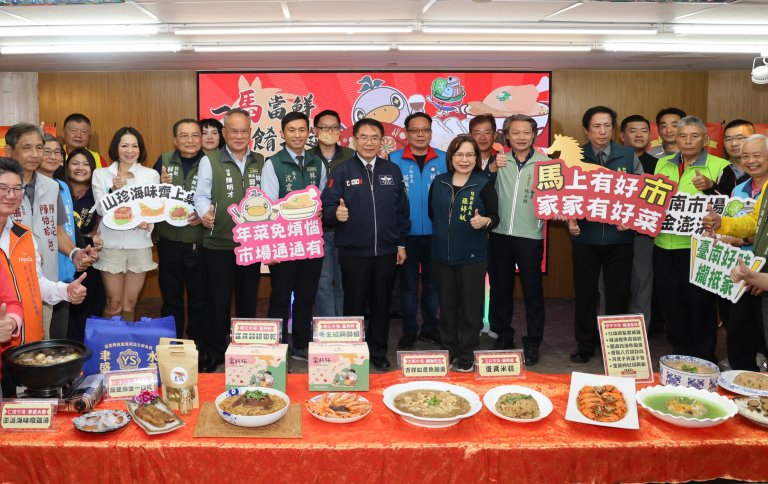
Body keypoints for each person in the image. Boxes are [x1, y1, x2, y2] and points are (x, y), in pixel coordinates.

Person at [321, 118, 410, 371]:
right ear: (353, 141)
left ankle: (379, 351)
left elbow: (402, 210)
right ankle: (351, 353)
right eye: (364, 137)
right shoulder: (341, 171)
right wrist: (334, 215)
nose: (369, 142)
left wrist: (401, 243)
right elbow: (327, 206)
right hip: (353, 252)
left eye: (374, 138)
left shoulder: (391, 171)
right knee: (354, 304)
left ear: (381, 141)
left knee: (382, 303)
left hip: (385, 250)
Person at [0, 156, 87, 396]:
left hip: (25, 352)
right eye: (3, 188)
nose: (10, 195)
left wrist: (64, 291)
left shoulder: (23, 235)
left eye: (16, 188)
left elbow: (34, 282)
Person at [568, 106, 644, 364]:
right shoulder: (574, 156)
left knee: (618, 295)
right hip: (585, 238)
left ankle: (616, 348)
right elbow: (564, 194)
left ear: (614, 129)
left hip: (620, 240)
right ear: (586, 130)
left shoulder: (627, 155)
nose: (602, 132)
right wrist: (569, 219)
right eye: (596, 126)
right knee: (586, 294)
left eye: (607, 126)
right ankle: (585, 345)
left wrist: (631, 219)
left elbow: (642, 194)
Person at [5, 123, 91, 339]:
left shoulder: (53, 187)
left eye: (39, 147)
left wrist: (74, 253)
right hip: (8, 283)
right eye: (27, 148)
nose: (35, 154)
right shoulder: (5, 189)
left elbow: (57, 231)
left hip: (43, 284)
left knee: (40, 343)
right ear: (9, 151)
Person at [654, 115, 729, 363]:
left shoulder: (719, 166)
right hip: (663, 243)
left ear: (705, 139)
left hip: (699, 246)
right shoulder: (662, 163)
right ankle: (680, 352)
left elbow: (731, 206)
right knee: (669, 300)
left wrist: (709, 186)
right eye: (682, 135)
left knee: (701, 303)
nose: (687, 141)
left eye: (694, 136)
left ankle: (704, 354)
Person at [194, 109, 264, 371]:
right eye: (233, 131)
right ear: (224, 133)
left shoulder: (260, 160)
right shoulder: (210, 160)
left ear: (250, 133)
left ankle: (245, 351)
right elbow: (200, 195)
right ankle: (214, 352)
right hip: (218, 243)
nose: (238, 136)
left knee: (248, 300)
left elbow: (267, 201)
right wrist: (204, 213)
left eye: (243, 130)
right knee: (218, 301)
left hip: (250, 245)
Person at [430, 136, 499, 372]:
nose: (464, 159)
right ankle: (449, 349)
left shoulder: (483, 183)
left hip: (472, 257)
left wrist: (485, 221)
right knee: (447, 307)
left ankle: (468, 352)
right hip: (441, 256)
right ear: (451, 157)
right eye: (459, 154)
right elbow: (433, 214)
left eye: (470, 155)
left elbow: (495, 217)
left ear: (476, 158)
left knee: (470, 309)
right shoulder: (439, 182)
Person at [261, 111, 326, 361]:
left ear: (309, 132)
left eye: (302, 130)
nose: (297, 135)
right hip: (283, 242)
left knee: (306, 296)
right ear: (282, 134)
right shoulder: (273, 163)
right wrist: (271, 248)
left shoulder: (316, 162)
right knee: (280, 295)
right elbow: (267, 208)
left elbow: (321, 199)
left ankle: (301, 344)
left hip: (310, 242)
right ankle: (277, 346)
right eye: (292, 130)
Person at [488, 114, 549, 365]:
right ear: (507, 135)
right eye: (515, 132)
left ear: (534, 135)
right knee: (501, 289)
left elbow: (555, 199)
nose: (521, 137)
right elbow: (481, 186)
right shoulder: (498, 162)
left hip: (530, 236)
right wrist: (490, 169)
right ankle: (503, 335)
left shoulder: (547, 164)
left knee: (533, 292)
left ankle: (533, 341)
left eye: (526, 132)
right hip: (500, 235)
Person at [704, 134, 768, 367]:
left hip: (762, 271)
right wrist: (722, 223)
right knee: (740, 328)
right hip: (746, 270)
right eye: (746, 156)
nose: (750, 161)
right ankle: (742, 379)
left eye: (757, 155)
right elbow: (753, 221)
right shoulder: (745, 188)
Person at [152, 119, 207, 364]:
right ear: (175, 140)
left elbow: (219, 197)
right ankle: (172, 349)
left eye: (195, 135)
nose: (190, 140)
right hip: (169, 242)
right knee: (171, 298)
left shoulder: (211, 162)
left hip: (199, 243)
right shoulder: (163, 161)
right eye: (183, 136)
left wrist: (206, 214)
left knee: (199, 298)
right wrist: (158, 187)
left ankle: (195, 347)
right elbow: (147, 196)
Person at [389, 112, 446, 349]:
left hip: (437, 234)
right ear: (406, 133)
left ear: (431, 132)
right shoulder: (392, 159)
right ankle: (410, 329)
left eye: (425, 130)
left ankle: (431, 328)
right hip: (406, 236)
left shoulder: (445, 159)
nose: (420, 134)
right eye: (415, 130)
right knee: (408, 287)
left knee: (433, 286)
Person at [92, 127, 159, 322]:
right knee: (114, 303)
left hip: (139, 244)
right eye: (124, 146)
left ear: (140, 149)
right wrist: (113, 190)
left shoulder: (150, 175)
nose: (130, 150)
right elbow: (100, 210)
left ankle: (125, 346)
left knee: (130, 303)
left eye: (134, 146)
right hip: (111, 244)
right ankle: (108, 348)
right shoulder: (101, 174)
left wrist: (148, 222)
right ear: (116, 148)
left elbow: (154, 208)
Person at [311, 109, 355, 317]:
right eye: (324, 127)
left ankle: (346, 328)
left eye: (334, 127)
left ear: (340, 130)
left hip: (346, 229)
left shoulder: (351, 156)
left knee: (346, 280)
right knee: (323, 281)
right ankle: (328, 328)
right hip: (316, 230)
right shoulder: (308, 157)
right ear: (315, 130)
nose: (329, 131)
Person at [619, 115, 662, 333]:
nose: (638, 135)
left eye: (643, 130)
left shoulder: (659, 165)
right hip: (613, 235)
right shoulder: (613, 161)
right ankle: (610, 336)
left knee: (642, 286)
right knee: (611, 288)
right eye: (632, 130)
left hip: (643, 236)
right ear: (621, 135)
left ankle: (639, 335)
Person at [63, 148, 106, 342]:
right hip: (62, 259)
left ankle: (88, 351)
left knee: (90, 308)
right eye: (75, 163)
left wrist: (93, 238)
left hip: (90, 261)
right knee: (64, 312)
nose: (80, 168)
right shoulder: (58, 189)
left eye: (86, 164)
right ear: (66, 166)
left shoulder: (97, 193)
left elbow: (102, 225)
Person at [40, 134, 78, 339]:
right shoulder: (27, 188)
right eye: (47, 151)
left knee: (59, 336)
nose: (53, 156)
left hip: (64, 272)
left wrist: (76, 253)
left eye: (57, 152)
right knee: (42, 338)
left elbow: (64, 230)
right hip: (42, 275)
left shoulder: (62, 186)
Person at [716, 119, 755, 197]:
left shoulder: (763, 169)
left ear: (754, 139)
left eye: (740, 138)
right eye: (728, 139)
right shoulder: (719, 169)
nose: (734, 143)